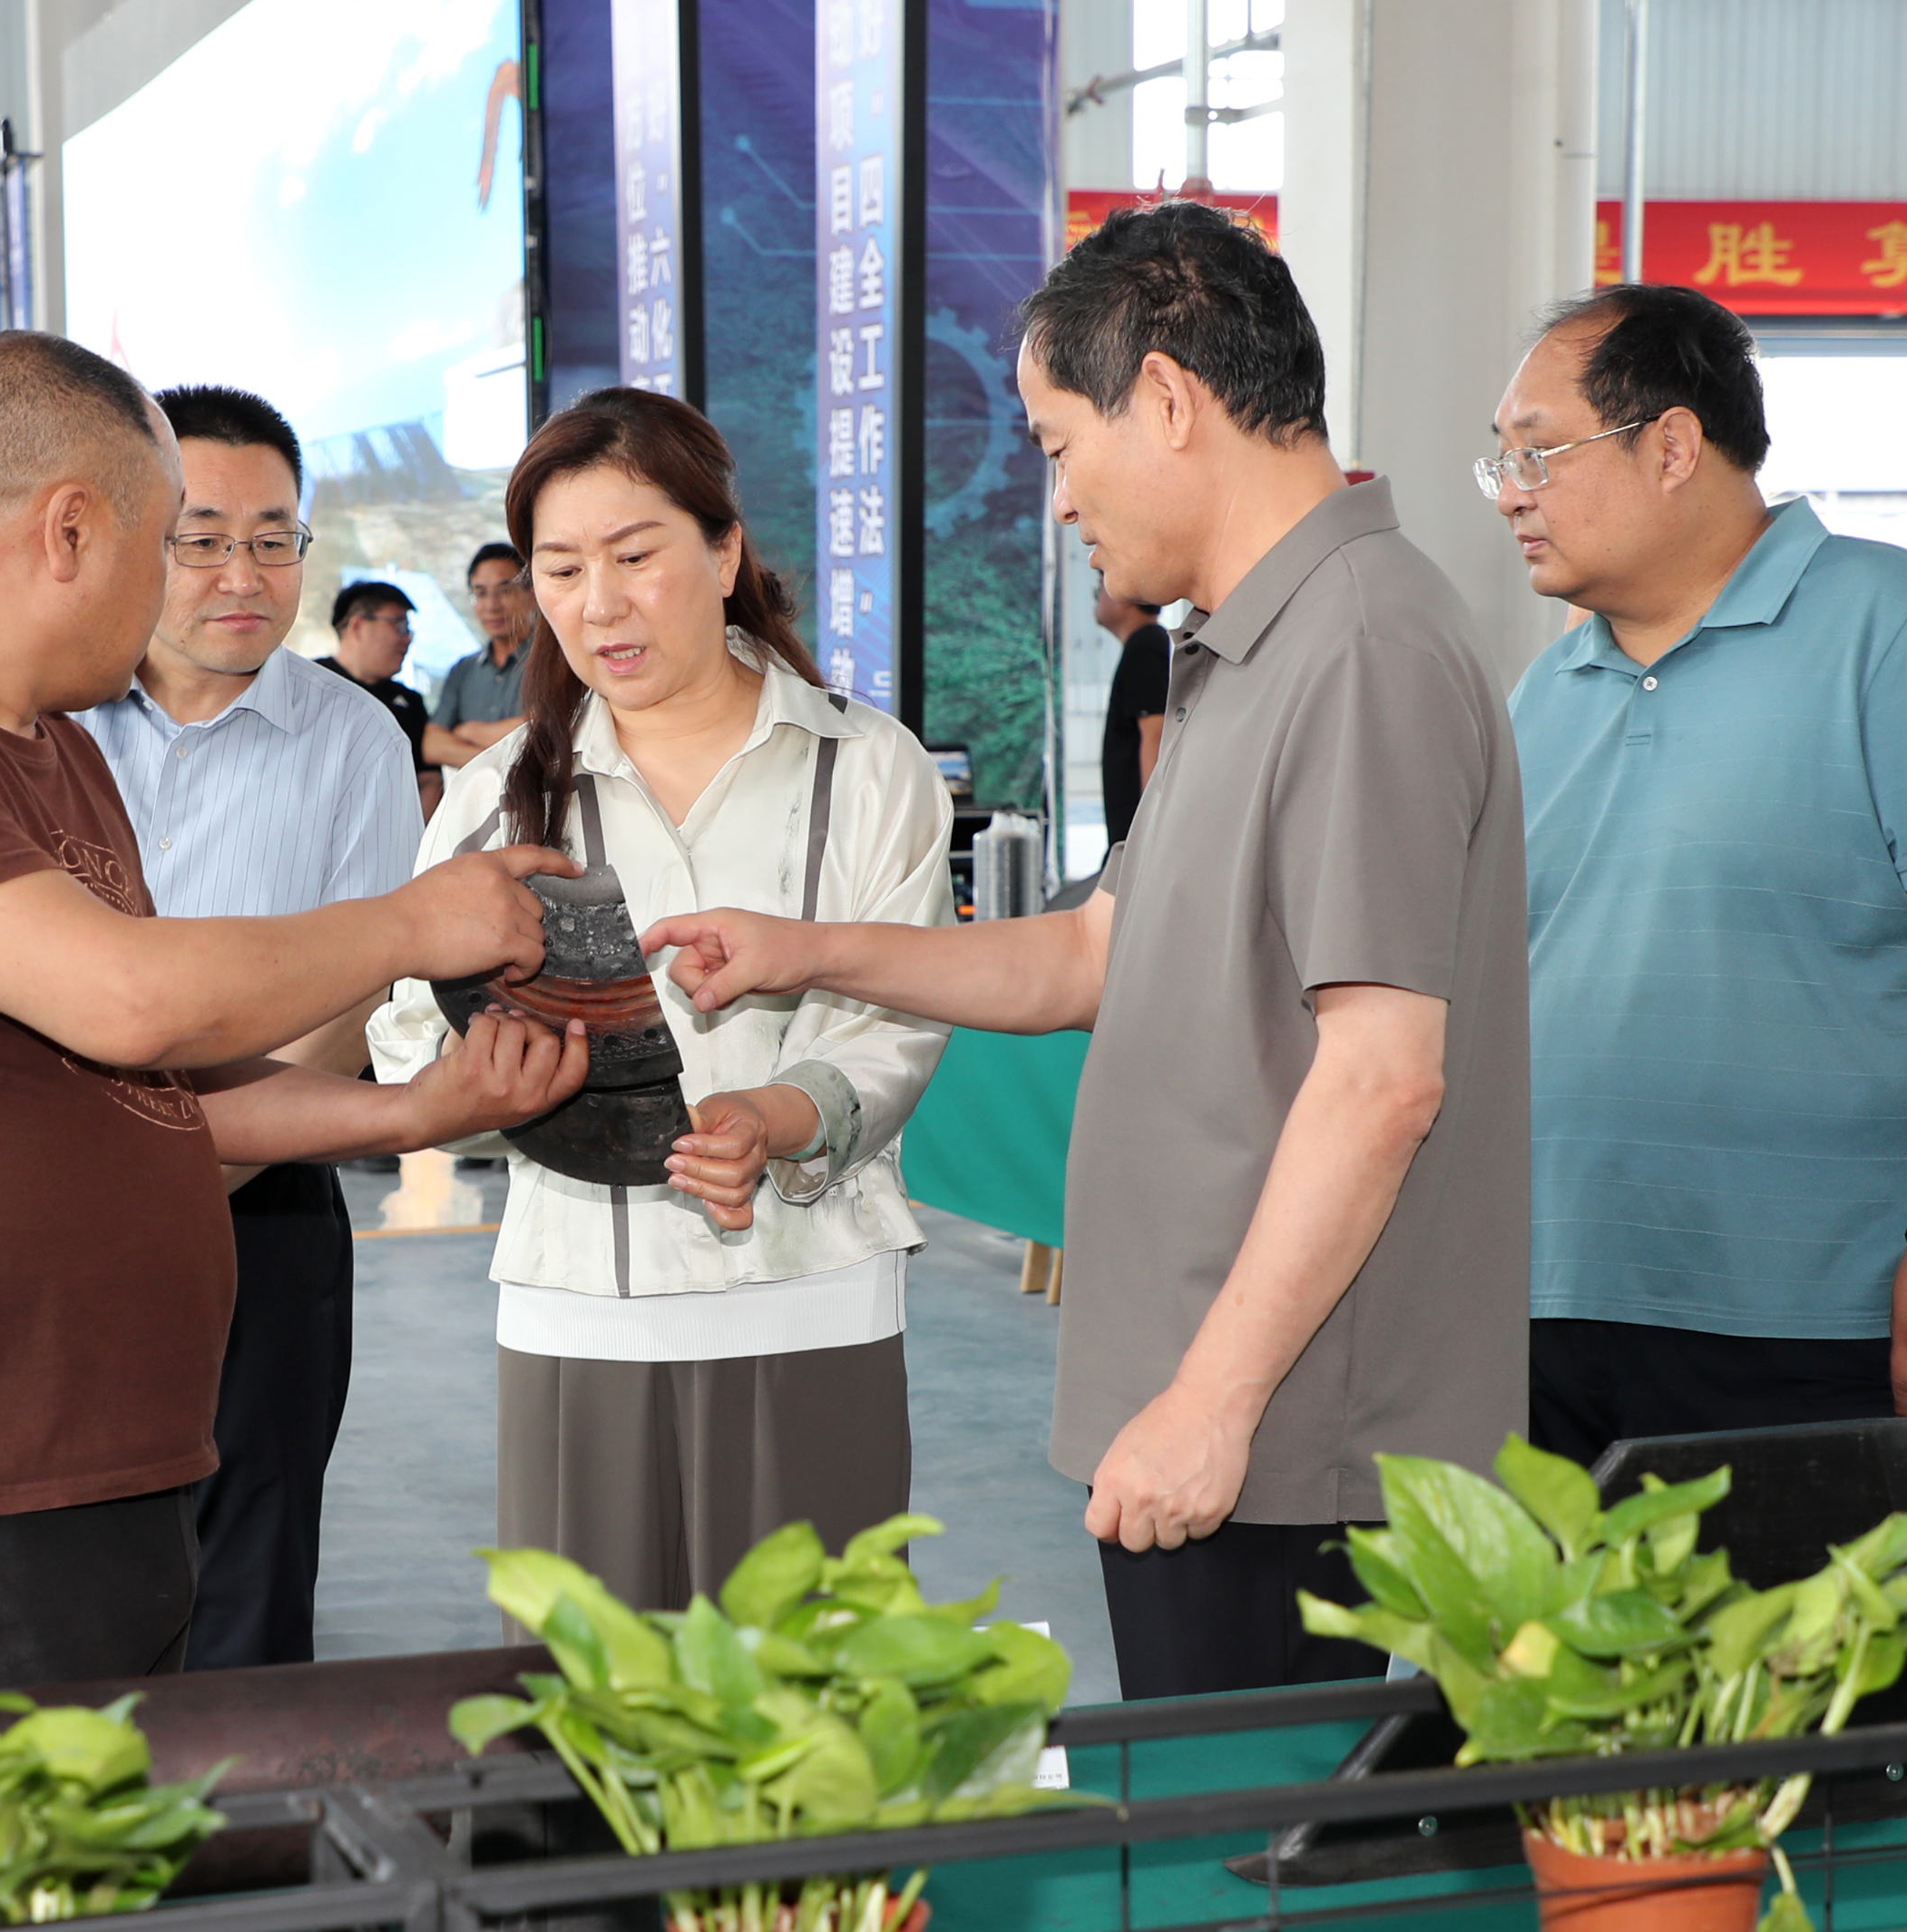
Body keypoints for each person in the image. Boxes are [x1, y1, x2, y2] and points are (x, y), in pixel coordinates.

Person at [645, 201, 1528, 1700]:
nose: (1058, 502)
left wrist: (1212, 1400)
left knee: (1265, 1826)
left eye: (1059, 445)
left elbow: (1384, 1078)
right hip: (1211, 1407)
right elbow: (1085, 958)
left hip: (1283, 1440)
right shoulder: (1247, 642)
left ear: (1167, 399)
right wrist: (806, 950)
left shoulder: (1360, 647)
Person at [0, 330, 586, 1698]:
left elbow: (161, 1087)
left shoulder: (50, 749)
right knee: (24, 1835)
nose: (203, 584)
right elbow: (127, 1000)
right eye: (171, 539)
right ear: (71, 530)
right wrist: (415, 924)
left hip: (117, 1450)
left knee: (167, 1793)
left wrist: (422, 1108)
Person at [368, 389, 954, 1613]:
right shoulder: (497, 800)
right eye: (562, 569)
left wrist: (778, 1118)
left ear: (724, 552)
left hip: (813, 1296)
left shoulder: (865, 768)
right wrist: (495, 1084)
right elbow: (407, 1026)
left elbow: (899, 1009)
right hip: (581, 1308)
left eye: (635, 556)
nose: (599, 604)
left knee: (817, 1687)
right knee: (597, 1695)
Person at [1496, 284, 1907, 1504]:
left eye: (1539, 452)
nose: (1511, 493)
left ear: (1671, 445)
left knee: (1832, 1633)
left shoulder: (1901, 628)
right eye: (1499, 461)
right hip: (1550, 1305)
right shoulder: (1547, 691)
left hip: (1816, 1320)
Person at [77, 383, 434, 1672]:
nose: (244, 574)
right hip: (56, 1211)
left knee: (248, 1582)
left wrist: (191, 1165)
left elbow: (358, 992)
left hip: (264, 1207)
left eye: (274, 539)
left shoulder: (353, 740)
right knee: (60, 1575)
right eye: (204, 537)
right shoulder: (46, 721)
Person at [321, 576, 438, 815]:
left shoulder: (409, 702)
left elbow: (429, 780)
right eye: (399, 625)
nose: (407, 638)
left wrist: (415, 835)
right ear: (358, 627)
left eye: (408, 628)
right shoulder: (308, 685)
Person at [424, 542, 533, 769]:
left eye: (505, 590)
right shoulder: (463, 670)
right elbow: (432, 745)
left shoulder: (555, 660)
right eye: (481, 593)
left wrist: (469, 731)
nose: (491, 606)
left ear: (532, 593)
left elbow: (545, 731)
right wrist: (497, 769)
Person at [1093, 585, 1169, 849]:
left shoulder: (1146, 645)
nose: (1097, 598)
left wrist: (1150, 828)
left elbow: (1155, 734)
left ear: (1123, 596)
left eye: (1099, 589)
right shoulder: (1144, 644)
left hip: (1136, 836)